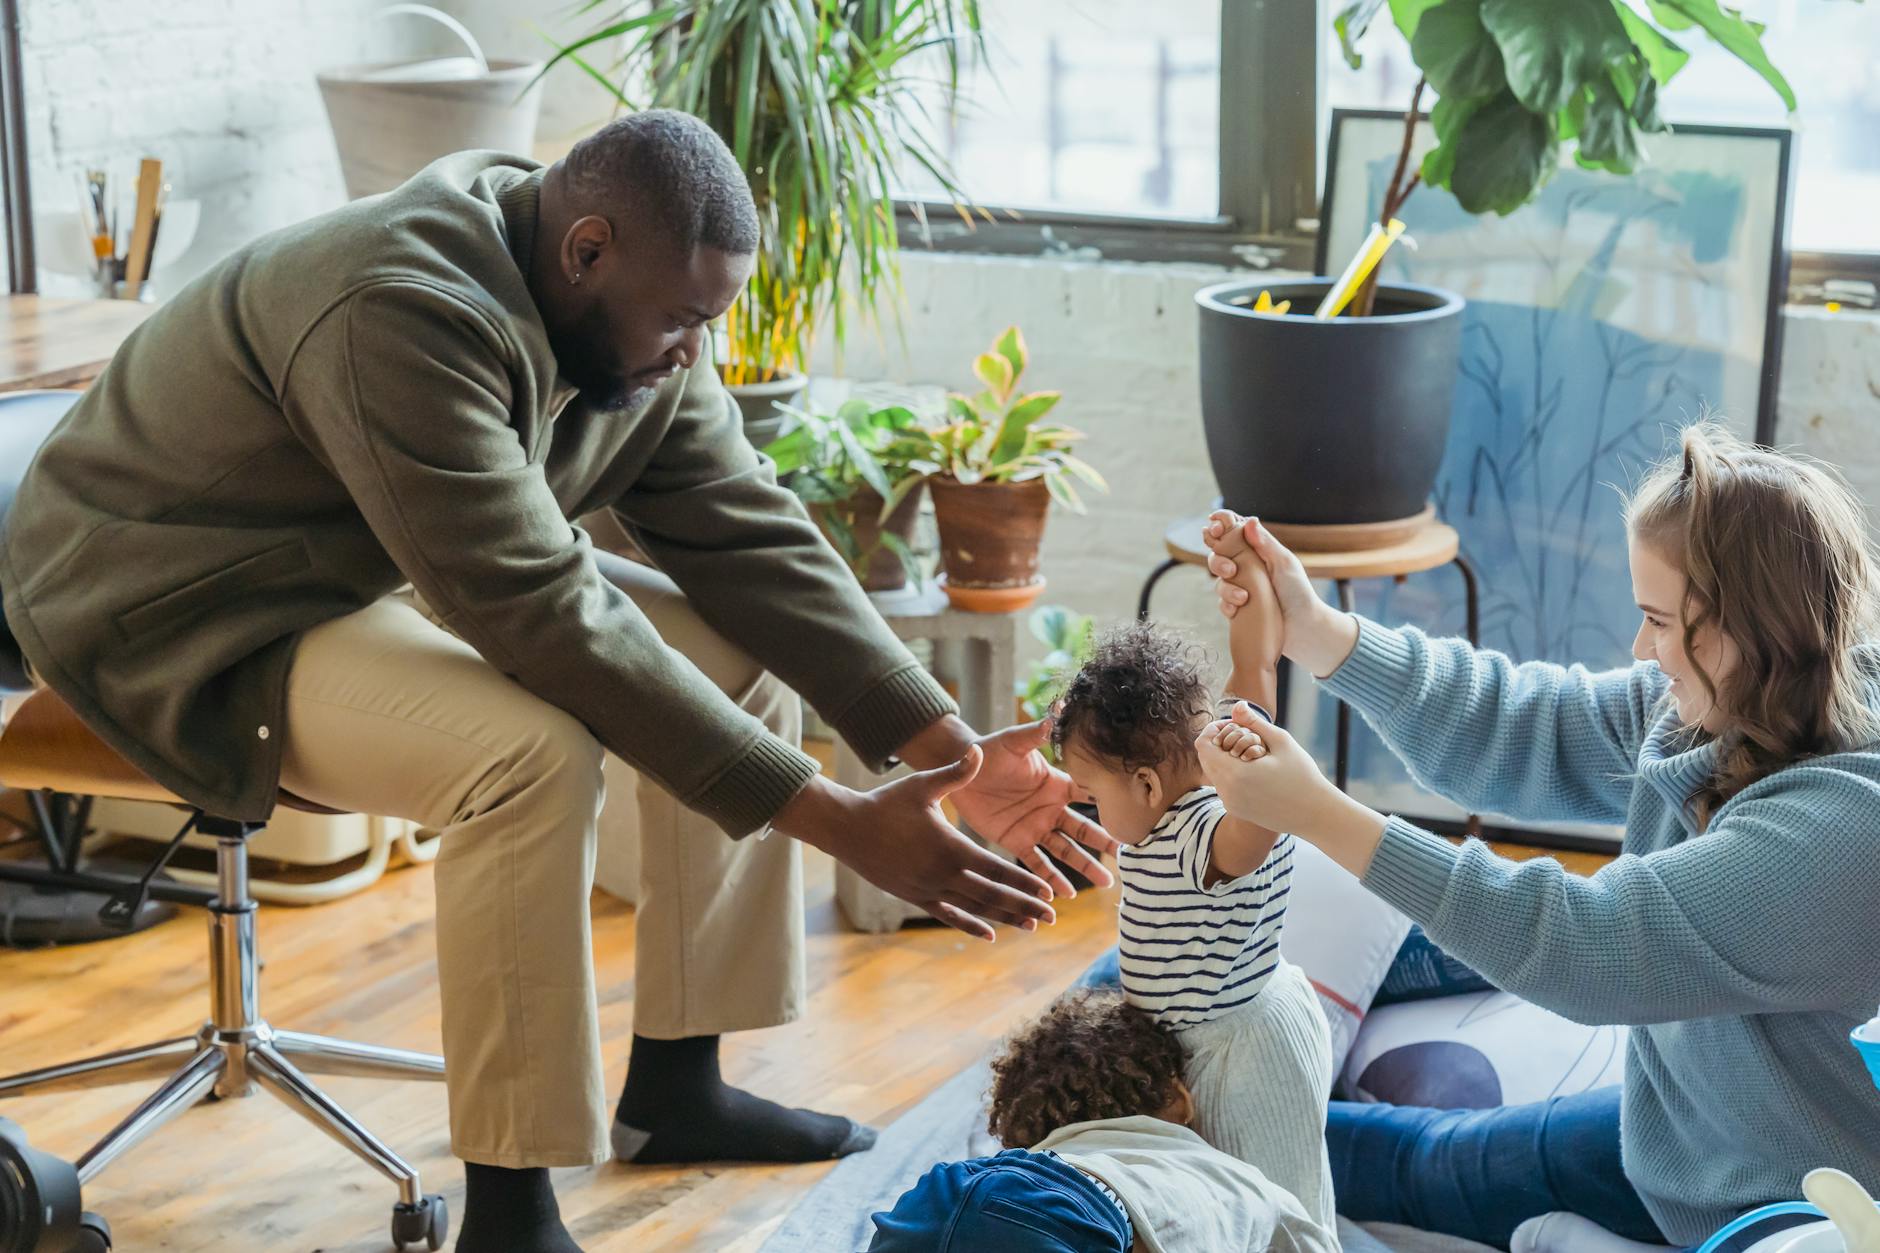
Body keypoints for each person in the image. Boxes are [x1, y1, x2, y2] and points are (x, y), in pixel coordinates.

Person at [0, 111, 1116, 1253]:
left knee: (734, 657)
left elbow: (747, 537)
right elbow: (541, 611)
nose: (693, 350)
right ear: (586, 250)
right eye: (682, 320)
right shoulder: (398, 307)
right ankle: (512, 1207)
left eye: (707, 320)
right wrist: (837, 820)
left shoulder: (629, 305)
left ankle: (679, 1082)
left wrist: (950, 755)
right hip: (174, 608)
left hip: (359, 559)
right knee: (526, 752)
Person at [1195, 423, 1880, 1249]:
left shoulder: (1837, 837)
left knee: (1415, 1164)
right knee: (1381, 1132)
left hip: (1774, 1189)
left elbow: (1580, 945)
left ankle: (1176, 1121)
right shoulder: (1747, 694)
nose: (1642, 648)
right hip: (1693, 1116)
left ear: (1747, 629)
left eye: (1660, 621)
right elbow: (1523, 723)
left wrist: (1316, 809)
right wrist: (1316, 630)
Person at [1050, 605, 1337, 1231]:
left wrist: (1258, 773)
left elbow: (1251, 832)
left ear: (1149, 786)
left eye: (1094, 796)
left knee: (1272, 1202)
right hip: (1221, 1024)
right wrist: (1253, 638)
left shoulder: (1197, 830)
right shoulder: (1199, 797)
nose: (1095, 814)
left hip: (1240, 1051)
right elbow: (1251, 685)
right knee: (1238, 1197)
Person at [866, 988, 1338, 1253]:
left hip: (948, 1196)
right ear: (1177, 1098)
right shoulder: (1240, 1181)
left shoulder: (1051, 1155)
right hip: (1078, 1219)